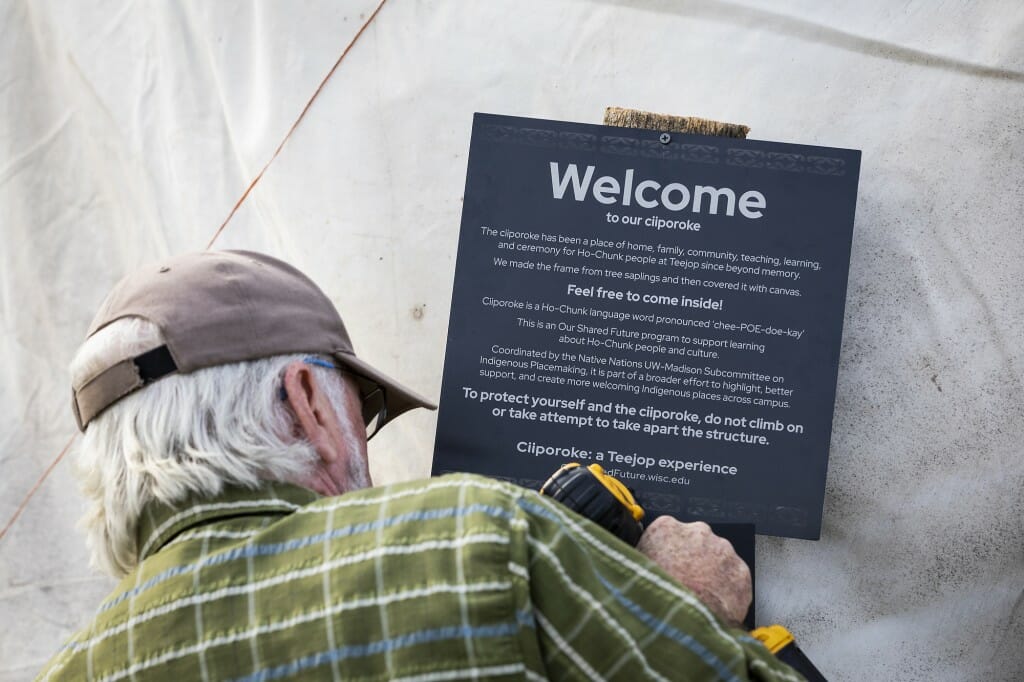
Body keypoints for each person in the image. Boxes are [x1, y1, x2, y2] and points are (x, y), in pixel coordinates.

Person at [38, 250, 801, 681]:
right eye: (360, 409)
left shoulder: (64, 673)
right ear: (305, 400)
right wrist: (690, 608)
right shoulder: (477, 535)